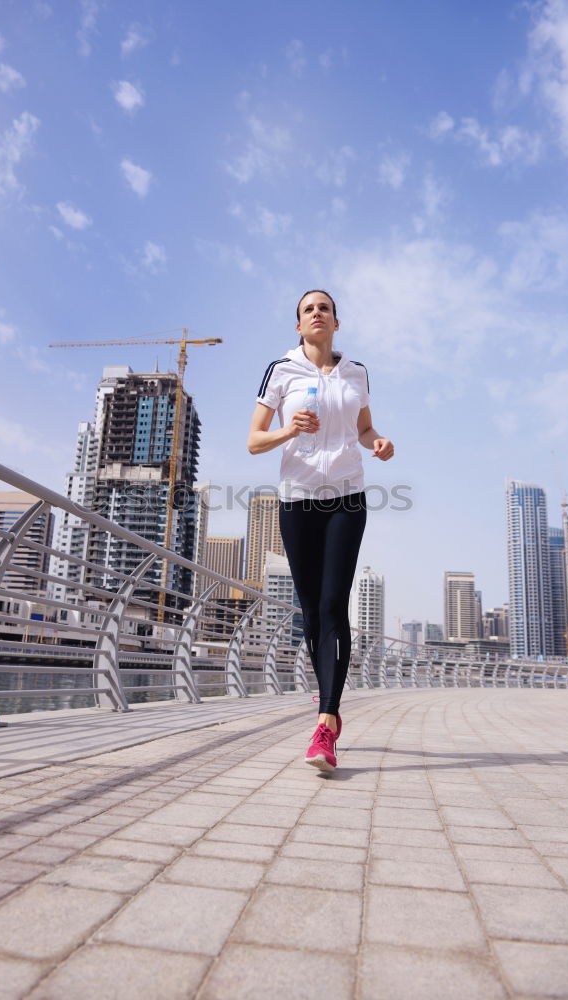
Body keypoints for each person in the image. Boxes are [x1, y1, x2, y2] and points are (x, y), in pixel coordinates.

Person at [247, 290, 394, 771]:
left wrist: (379, 442)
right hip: (298, 500)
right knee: (311, 612)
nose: (316, 313)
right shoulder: (281, 370)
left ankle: (326, 721)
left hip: (347, 499)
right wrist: (289, 431)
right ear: (298, 326)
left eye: (324, 308)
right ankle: (327, 707)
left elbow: (365, 429)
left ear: (336, 322)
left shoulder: (357, 372)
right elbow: (253, 441)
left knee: (334, 604)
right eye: (308, 309)